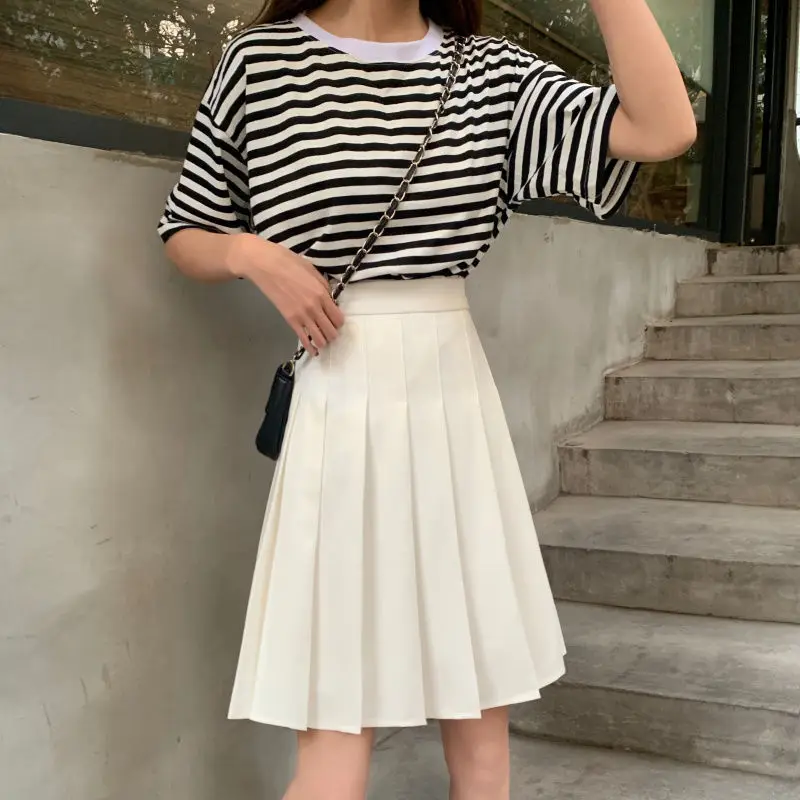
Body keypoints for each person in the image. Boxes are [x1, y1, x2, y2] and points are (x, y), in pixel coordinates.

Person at [158, 0, 695, 797]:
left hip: (451, 406)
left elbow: (662, 129)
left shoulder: (489, 72)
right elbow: (187, 229)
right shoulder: (262, 63)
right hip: (338, 399)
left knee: (481, 735)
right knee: (334, 739)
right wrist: (251, 254)